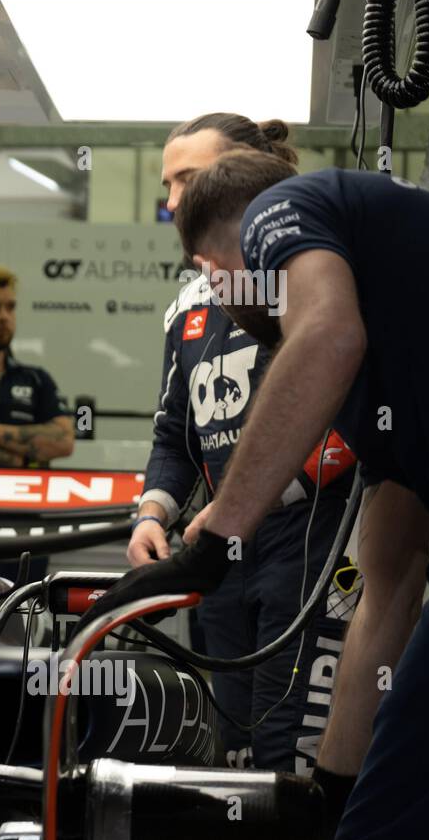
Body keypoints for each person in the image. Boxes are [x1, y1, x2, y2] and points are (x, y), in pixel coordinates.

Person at [94, 150, 429, 840]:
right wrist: (329, 797)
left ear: (213, 265)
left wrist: (216, 538)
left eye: (207, 278)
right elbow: (392, 588)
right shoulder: (387, 387)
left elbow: (326, 334)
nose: (214, 295)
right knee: (374, 823)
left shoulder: (287, 207)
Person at [127, 114, 356, 773]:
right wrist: (152, 513)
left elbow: (355, 427)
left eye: (189, 181)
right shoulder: (187, 304)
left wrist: (256, 500)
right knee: (231, 758)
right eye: (168, 184)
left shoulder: (315, 271)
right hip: (219, 550)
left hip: (313, 542)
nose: (174, 202)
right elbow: (175, 432)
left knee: (292, 756)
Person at [0, 264, 74, 470]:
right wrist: (23, 460)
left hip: (27, 499)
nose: (3, 316)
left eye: (10, 307)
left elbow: (64, 441)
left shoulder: (36, 379)